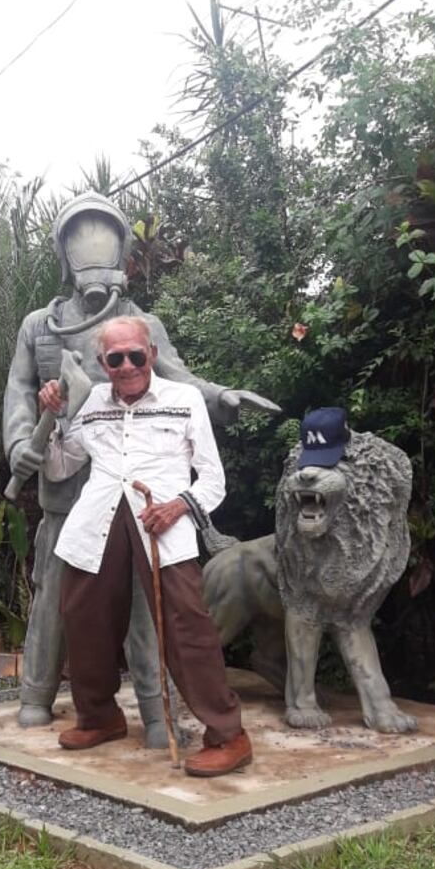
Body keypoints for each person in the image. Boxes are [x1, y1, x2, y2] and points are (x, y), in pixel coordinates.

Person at [3, 190, 279, 742]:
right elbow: (19, 391)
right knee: (63, 601)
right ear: (65, 257)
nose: (125, 363)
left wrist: (222, 397)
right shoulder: (41, 325)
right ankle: (43, 697)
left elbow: (179, 382)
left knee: (148, 610)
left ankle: (157, 715)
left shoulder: (140, 324)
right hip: (72, 492)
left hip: (146, 500)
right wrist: (18, 444)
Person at [39, 314, 253, 779]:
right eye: (116, 359)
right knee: (84, 619)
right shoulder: (93, 401)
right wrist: (55, 418)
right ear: (103, 363)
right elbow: (60, 467)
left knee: (186, 628)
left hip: (162, 523)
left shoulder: (184, 399)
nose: (128, 365)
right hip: (96, 521)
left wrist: (180, 506)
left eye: (136, 355)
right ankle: (100, 717)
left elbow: (213, 478)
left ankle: (228, 735)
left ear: (151, 354)